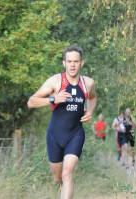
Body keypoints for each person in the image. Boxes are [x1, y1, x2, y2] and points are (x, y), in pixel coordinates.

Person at [27, 45, 97, 199]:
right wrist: (53, 99)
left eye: (76, 61)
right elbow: (31, 102)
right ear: (64, 63)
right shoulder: (55, 81)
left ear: (81, 63)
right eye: (69, 61)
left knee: (67, 174)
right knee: (58, 178)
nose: (72, 65)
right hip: (55, 135)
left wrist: (89, 112)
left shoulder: (88, 83)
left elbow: (92, 98)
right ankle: (63, 190)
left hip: (75, 134)